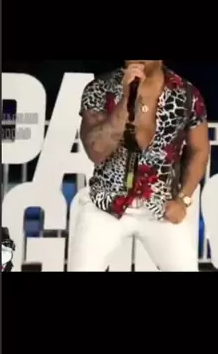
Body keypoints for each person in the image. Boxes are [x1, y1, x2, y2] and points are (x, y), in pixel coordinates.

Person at [68, 60, 210, 271]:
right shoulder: (101, 88)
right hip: (106, 202)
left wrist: (183, 199)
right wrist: (126, 100)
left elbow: (200, 150)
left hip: (161, 205)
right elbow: (96, 150)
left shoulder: (187, 94)